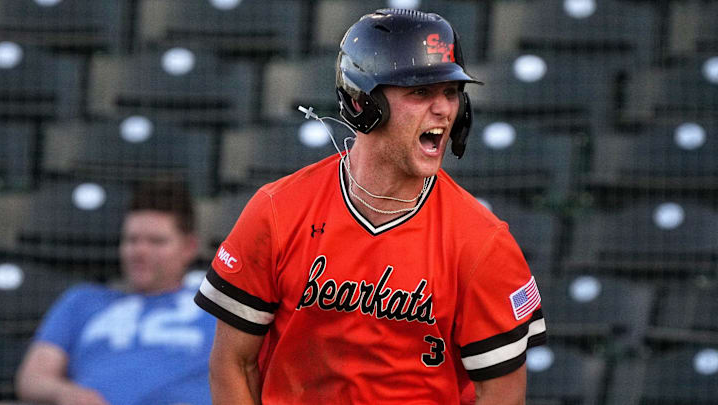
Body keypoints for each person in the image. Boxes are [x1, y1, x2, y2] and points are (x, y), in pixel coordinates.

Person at [194, 8, 547, 405]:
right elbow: (232, 364)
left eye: (451, 92)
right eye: (420, 92)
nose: (444, 109)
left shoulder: (483, 243)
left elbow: (502, 394)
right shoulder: (277, 211)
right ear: (364, 102)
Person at [15, 181, 215, 405]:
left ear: (189, 247)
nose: (140, 251)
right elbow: (33, 378)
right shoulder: (82, 301)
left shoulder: (213, 307)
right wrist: (66, 394)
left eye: (156, 241)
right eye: (131, 240)